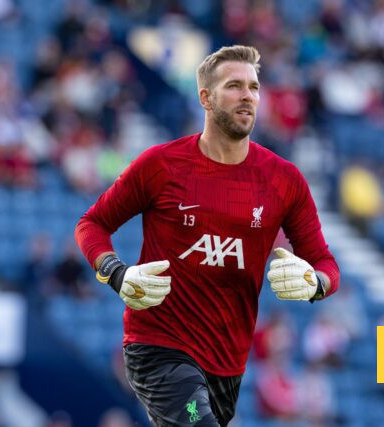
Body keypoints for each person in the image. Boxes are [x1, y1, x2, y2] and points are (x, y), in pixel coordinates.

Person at [74, 45, 340, 426]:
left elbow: (326, 264)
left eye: (254, 86)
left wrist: (316, 283)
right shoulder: (161, 165)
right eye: (234, 85)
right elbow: (91, 225)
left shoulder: (284, 180)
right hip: (159, 346)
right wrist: (117, 272)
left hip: (228, 361)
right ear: (205, 97)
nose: (248, 95)